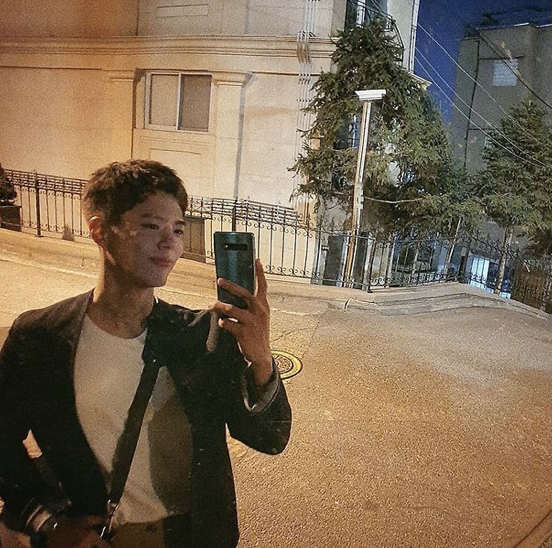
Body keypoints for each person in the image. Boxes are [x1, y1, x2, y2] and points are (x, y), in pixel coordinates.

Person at [0, 160, 292, 548]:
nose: (170, 243)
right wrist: (48, 522)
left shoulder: (201, 334)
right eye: (152, 226)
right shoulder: (41, 337)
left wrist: (261, 361)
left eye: (178, 230)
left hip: (193, 538)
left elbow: (270, 438)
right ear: (100, 230)